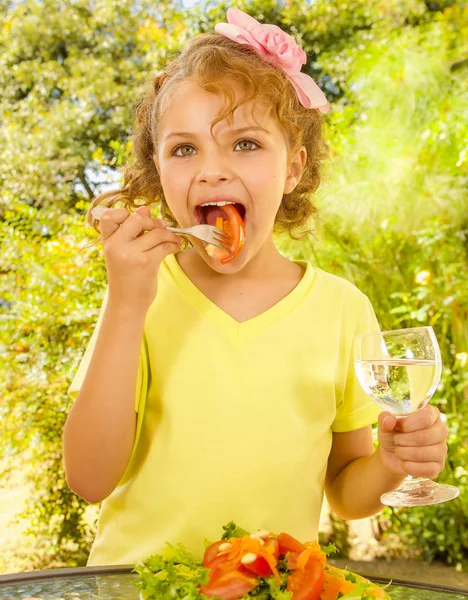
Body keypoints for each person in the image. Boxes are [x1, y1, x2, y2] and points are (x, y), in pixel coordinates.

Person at [62, 7, 449, 567]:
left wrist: (391, 461)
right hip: (136, 585)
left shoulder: (342, 310)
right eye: (184, 148)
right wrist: (125, 303)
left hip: (279, 585)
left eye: (244, 143)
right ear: (159, 173)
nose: (212, 169)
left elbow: (345, 493)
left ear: (292, 168)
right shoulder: (140, 296)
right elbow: (89, 479)